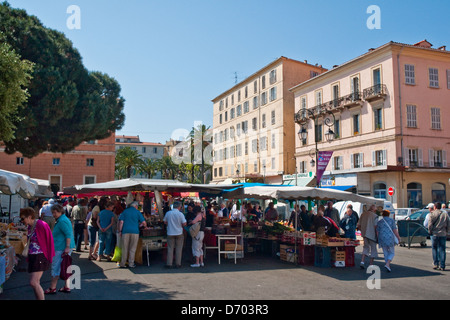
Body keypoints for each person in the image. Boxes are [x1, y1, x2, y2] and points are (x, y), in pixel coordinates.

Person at [20, 207, 55, 300]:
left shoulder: (41, 224)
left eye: (23, 218)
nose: (22, 221)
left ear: (30, 217)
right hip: (33, 256)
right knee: (35, 283)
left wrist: (50, 257)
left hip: (40, 256)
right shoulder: (30, 226)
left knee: (33, 282)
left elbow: (49, 240)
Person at [45, 204, 75, 294]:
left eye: (55, 212)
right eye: (53, 213)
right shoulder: (63, 219)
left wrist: (67, 247)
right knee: (65, 267)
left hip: (61, 247)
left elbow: (68, 234)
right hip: (62, 246)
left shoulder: (62, 221)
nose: (53, 214)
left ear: (60, 211)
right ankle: (67, 286)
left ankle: (52, 287)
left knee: (56, 267)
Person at [118, 201, 147, 268]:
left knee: (124, 248)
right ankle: (131, 263)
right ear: (136, 206)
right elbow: (144, 223)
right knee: (132, 248)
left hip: (125, 231)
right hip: (135, 232)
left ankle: (122, 263)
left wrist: (120, 231)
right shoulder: (138, 212)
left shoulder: (125, 211)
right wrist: (141, 225)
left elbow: (121, 222)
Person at [163, 201, 186, 268]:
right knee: (179, 248)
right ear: (179, 207)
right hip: (179, 232)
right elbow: (184, 223)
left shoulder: (168, 213)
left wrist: (169, 225)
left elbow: (164, 222)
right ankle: (178, 263)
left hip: (170, 232)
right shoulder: (180, 214)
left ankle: (169, 263)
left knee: (170, 248)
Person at [427, 202, 450, 271]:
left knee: (434, 248)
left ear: (435, 207)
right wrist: (447, 232)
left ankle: (435, 263)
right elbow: (448, 223)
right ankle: (442, 265)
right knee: (442, 249)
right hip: (442, 233)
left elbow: (430, 224)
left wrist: (430, 231)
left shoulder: (432, 214)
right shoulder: (445, 214)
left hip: (434, 234)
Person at [357, 205, 379, 269]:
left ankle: (362, 261)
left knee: (365, 248)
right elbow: (375, 227)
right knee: (373, 249)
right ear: (374, 210)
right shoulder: (375, 216)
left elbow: (358, 225)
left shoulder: (363, 214)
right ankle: (371, 264)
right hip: (372, 235)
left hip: (364, 234)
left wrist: (362, 230)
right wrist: (377, 235)